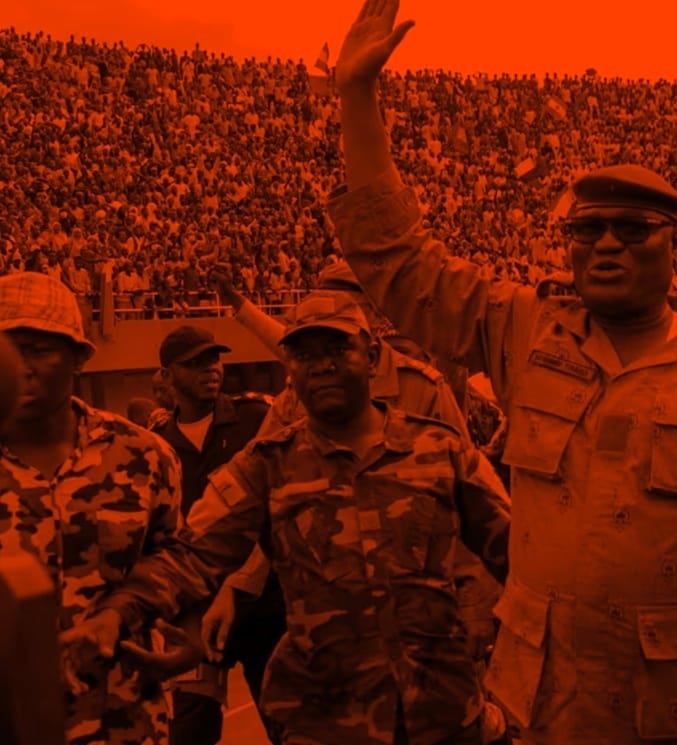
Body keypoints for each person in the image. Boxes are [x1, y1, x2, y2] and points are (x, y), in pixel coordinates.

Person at [326, 3, 677, 743]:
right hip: (548, 711)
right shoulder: (526, 330)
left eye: (632, 230)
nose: (606, 244)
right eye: (586, 229)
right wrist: (357, 99)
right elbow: (401, 264)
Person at [61, 291, 513, 744]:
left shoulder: (440, 450)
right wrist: (118, 613)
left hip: (442, 714)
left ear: (373, 356)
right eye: (303, 355)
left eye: (338, 349)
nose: (321, 366)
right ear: (289, 368)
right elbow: (192, 555)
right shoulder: (266, 465)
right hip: (326, 720)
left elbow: (517, 551)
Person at [211, 260, 505, 671]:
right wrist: (236, 585)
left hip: (423, 627)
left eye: (336, 339)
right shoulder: (296, 399)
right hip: (330, 630)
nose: (323, 364)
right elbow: (256, 500)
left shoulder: (421, 388)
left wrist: (474, 604)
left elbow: (471, 509)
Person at [0, 272, 183, 745]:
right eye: (7, 351)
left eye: (37, 350)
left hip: (123, 718)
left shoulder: (143, 456)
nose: (20, 368)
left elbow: (174, 556)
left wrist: (122, 614)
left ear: (79, 358)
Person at [148, 325, 281, 745]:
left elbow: (278, 507)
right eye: (195, 363)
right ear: (167, 375)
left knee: (288, 726)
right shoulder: (156, 445)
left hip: (264, 604)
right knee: (189, 729)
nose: (211, 369)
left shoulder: (257, 418)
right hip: (197, 611)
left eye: (214, 359)